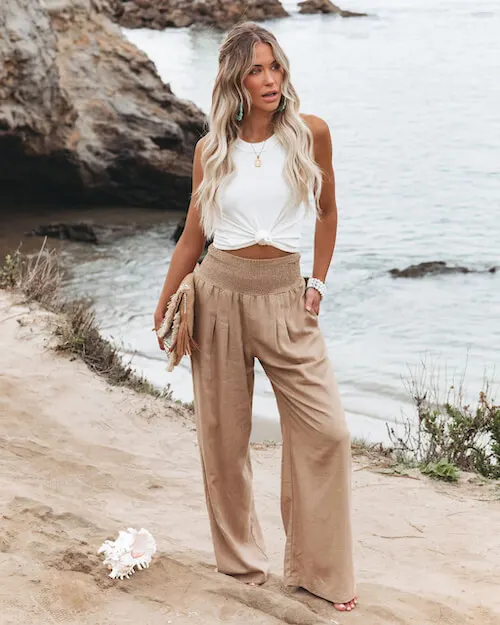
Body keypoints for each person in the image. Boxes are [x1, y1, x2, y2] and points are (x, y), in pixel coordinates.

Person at [154, 21, 358, 613]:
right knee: (224, 441)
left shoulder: (310, 134)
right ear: (234, 81)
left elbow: (326, 213)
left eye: (275, 66)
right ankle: (242, 568)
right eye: (256, 70)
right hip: (217, 293)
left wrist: (317, 283)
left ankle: (316, 571)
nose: (270, 80)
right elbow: (193, 237)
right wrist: (166, 302)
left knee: (328, 432)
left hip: (286, 298)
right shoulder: (211, 150)